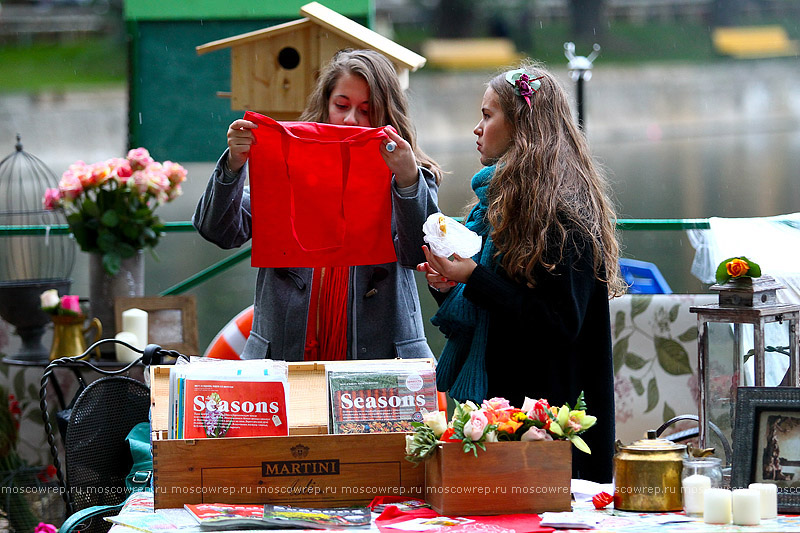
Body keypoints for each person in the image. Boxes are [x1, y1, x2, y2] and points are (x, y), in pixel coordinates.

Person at [417, 61, 624, 482]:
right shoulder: (495, 206)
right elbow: (492, 310)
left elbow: (560, 323)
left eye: (488, 115)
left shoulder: (565, 212)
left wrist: (473, 278)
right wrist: (450, 284)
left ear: (521, 127)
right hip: (507, 413)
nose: (477, 128)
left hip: (552, 425)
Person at [194, 49, 441, 361]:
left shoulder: (412, 170)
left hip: (380, 365)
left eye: (366, 110)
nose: (351, 119)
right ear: (325, 105)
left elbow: (419, 253)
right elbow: (217, 231)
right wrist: (233, 165)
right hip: (283, 357)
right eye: (341, 105)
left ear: (387, 113)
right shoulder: (287, 161)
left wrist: (407, 178)